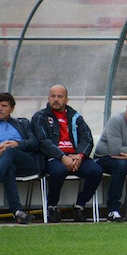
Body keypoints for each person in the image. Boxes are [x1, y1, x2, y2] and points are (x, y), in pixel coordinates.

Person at [31, 85, 103, 223]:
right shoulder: (40, 117)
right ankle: (52, 206)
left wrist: (80, 156)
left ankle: (79, 205)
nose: (56, 99)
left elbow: (87, 138)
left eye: (60, 96)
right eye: (53, 96)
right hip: (53, 157)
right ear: (48, 98)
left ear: (66, 99)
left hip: (75, 157)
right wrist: (62, 157)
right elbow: (42, 141)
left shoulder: (75, 117)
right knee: (58, 171)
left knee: (96, 171)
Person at [0, 92, 41, 224]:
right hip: (3, 163)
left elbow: (35, 143)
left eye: (4, 106)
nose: (0, 109)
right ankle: (18, 212)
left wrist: (18, 144)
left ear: (12, 109)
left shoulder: (23, 123)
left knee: (10, 151)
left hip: (26, 162)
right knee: (8, 166)